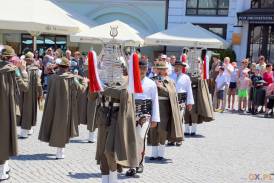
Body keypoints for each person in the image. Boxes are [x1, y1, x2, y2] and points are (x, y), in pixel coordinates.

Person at [38, 57, 88, 159]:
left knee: (55, 125)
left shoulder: (52, 77)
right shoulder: (71, 78)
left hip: (53, 107)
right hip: (65, 107)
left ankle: (59, 150)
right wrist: (85, 82)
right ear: (68, 67)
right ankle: (60, 152)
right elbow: (81, 90)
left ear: (59, 66)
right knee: (62, 127)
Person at [125, 60, 160, 177]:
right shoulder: (130, 82)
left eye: (145, 68)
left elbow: (155, 101)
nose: (143, 70)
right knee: (130, 139)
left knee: (140, 137)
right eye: (140, 68)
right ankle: (131, 166)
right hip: (131, 113)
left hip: (145, 114)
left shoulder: (151, 83)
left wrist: (155, 118)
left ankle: (139, 163)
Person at [0, 45, 29, 181]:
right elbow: (24, 86)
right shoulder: (14, 71)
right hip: (6, 109)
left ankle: (5, 167)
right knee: (5, 137)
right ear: (12, 58)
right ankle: (2, 172)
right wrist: (23, 70)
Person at [148, 61, 182, 160]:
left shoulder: (170, 81)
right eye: (158, 69)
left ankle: (161, 153)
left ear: (165, 70)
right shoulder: (151, 80)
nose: (160, 71)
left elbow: (172, 94)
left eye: (162, 69)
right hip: (153, 106)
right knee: (153, 129)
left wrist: (161, 87)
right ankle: (154, 153)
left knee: (162, 130)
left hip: (164, 107)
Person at [17, 52, 43, 138]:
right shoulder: (36, 70)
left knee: (24, 111)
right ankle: (29, 129)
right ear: (32, 60)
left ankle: (24, 132)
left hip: (22, 93)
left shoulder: (20, 68)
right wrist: (40, 94)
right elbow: (39, 84)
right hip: (32, 94)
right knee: (31, 110)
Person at [170, 60, 194, 143]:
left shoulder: (186, 77)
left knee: (179, 118)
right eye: (175, 66)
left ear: (182, 68)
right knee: (171, 118)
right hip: (172, 98)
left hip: (181, 99)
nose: (177, 68)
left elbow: (189, 90)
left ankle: (179, 138)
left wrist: (190, 102)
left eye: (178, 67)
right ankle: (172, 138)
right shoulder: (170, 76)